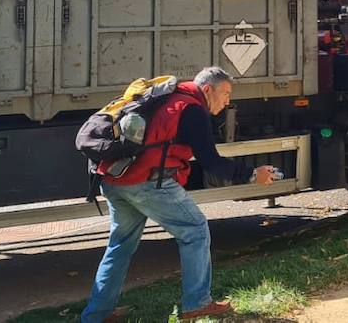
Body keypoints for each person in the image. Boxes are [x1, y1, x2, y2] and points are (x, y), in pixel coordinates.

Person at [82, 67, 278, 323]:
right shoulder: (192, 110)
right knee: (195, 229)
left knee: (119, 246)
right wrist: (252, 173)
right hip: (147, 182)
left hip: (114, 179)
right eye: (226, 93)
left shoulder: (168, 99)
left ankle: (97, 315)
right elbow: (211, 161)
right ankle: (197, 303)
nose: (228, 101)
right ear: (207, 90)